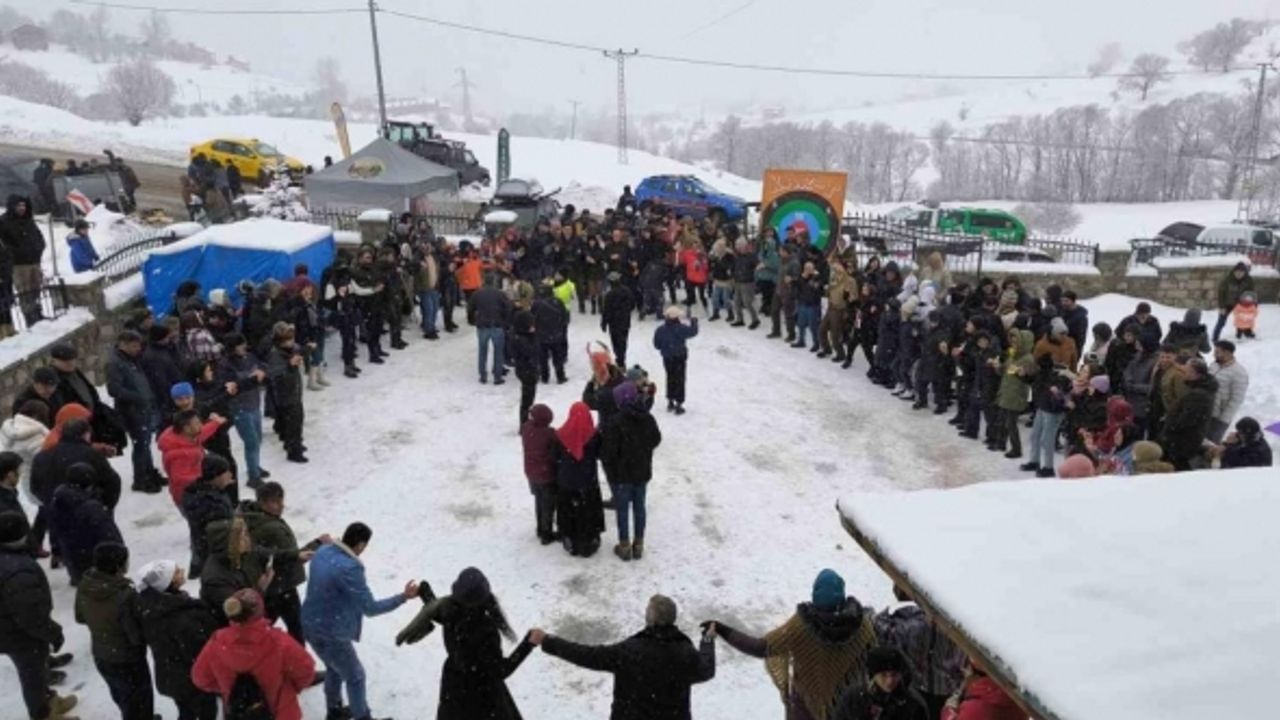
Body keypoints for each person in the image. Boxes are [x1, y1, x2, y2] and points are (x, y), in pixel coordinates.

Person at [712, 569, 878, 720]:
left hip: (804, 708)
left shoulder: (801, 627)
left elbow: (760, 647)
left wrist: (723, 630)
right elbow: (877, 663)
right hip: (846, 708)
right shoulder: (861, 627)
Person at [530, 594, 716, 720]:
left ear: (651, 619)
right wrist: (707, 640)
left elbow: (587, 655)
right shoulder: (685, 652)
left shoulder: (629, 651)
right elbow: (706, 669)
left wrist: (547, 641)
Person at [302, 522, 418, 720]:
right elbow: (370, 608)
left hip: (309, 622)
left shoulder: (323, 551)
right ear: (361, 545)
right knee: (355, 676)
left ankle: (334, 711)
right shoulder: (350, 568)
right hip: (331, 632)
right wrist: (403, 597)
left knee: (334, 668)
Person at [394, 567, 534, 720]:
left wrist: (424, 591)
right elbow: (500, 671)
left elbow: (435, 609)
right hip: (484, 698)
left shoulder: (450, 611)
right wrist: (528, 643)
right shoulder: (486, 629)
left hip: (454, 688)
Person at [192, 588, 316, 720]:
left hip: (240, 714)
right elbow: (306, 671)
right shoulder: (278, 640)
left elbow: (200, 677)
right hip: (281, 712)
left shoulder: (217, 642)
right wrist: (289, 690)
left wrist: (227, 689)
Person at [0, 511, 78, 720]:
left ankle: (49, 701)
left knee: (37, 668)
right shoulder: (17, 570)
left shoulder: (10, 559)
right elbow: (30, 615)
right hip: (19, 634)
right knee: (32, 675)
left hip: (10, 629)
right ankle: (43, 715)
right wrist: (53, 632)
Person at [131, 559, 220, 720]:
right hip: (192, 679)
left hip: (171, 676)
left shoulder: (151, 608)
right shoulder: (181, 617)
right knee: (205, 711)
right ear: (169, 582)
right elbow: (198, 652)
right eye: (177, 572)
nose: (182, 571)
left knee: (186, 711)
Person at [76, 542, 154, 720]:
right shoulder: (124, 595)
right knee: (140, 698)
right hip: (127, 658)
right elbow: (135, 636)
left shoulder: (86, 585)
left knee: (122, 696)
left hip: (102, 653)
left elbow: (80, 617)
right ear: (119, 566)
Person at [873, 586, 963, 719]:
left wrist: (891, 611)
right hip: (947, 688)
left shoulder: (911, 627)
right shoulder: (958, 625)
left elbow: (880, 626)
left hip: (921, 687)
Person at [600, 381, 662, 562]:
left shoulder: (615, 422)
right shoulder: (647, 418)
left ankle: (625, 545)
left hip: (622, 474)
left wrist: (613, 469)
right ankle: (639, 544)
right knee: (639, 507)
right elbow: (656, 439)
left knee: (622, 510)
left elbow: (608, 453)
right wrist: (642, 449)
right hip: (641, 471)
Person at [106, 330, 165, 494]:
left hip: (143, 408)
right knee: (140, 445)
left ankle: (149, 473)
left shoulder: (132, 359)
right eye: (134, 346)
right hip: (131, 411)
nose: (138, 349)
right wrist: (137, 397)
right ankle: (140, 479)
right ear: (123, 344)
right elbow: (114, 389)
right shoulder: (115, 363)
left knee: (145, 443)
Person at [48, 461, 123, 586]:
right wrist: (119, 555)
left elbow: (54, 530)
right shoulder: (91, 507)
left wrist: (57, 551)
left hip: (74, 561)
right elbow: (109, 534)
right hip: (97, 564)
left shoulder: (57, 502)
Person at [553, 402, 606, 557]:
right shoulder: (593, 435)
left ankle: (570, 538)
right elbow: (600, 454)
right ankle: (588, 540)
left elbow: (554, 456)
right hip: (587, 480)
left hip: (566, 481)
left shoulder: (560, 435)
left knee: (568, 510)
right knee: (587, 511)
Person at [218, 333, 269, 488]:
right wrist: (252, 378)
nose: (243, 347)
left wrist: (262, 371)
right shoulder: (225, 365)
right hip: (240, 408)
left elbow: (262, 365)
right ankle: (253, 477)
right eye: (240, 345)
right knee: (251, 441)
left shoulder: (250, 356)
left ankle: (255, 466)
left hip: (254, 403)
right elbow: (234, 386)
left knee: (258, 438)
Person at [832, 646, 930, 720]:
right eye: (883, 675)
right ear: (873, 675)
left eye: (894, 674)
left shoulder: (914, 704)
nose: (890, 680)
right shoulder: (853, 699)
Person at [158, 405, 226, 508]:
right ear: (186, 428)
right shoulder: (179, 455)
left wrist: (215, 423)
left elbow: (203, 432)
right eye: (197, 423)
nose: (201, 425)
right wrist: (209, 481)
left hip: (199, 491)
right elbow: (180, 479)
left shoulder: (187, 437)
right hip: (190, 497)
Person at [181, 455, 234, 582]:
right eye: (226, 472)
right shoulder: (211, 502)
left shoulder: (199, 492)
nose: (230, 475)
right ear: (216, 476)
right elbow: (221, 531)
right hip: (215, 553)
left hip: (204, 550)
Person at [1160, 358, 1218, 471]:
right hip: (1184, 440)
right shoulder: (1198, 390)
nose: (1183, 373)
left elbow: (1187, 420)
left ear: (1195, 374)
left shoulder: (1199, 395)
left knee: (1179, 468)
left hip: (1183, 442)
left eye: (1186, 371)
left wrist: (1170, 426)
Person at [0, 195, 47, 326]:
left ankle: (37, 312)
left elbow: (39, 237)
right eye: (19, 206)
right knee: (25, 292)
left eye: (23, 205)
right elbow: (4, 244)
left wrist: (39, 248)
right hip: (19, 264)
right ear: (12, 206)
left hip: (34, 261)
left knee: (36, 289)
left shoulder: (28, 220)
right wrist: (16, 253)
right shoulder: (4, 222)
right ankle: (30, 317)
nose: (22, 208)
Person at [266, 322, 308, 463]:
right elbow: (276, 374)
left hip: (295, 391)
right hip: (285, 394)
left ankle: (296, 443)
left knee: (298, 419)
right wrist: (289, 365)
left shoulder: (292, 350)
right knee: (292, 422)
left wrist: (306, 350)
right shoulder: (275, 355)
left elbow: (300, 350)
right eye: (288, 340)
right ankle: (293, 450)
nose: (292, 342)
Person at [991, 329, 1035, 460]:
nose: (1013, 343)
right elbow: (1004, 371)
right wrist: (997, 366)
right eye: (1013, 340)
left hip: (1016, 394)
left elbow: (1028, 378)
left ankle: (1016, 449)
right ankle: (1001, 443)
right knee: (1002, 420)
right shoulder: (1013, 355)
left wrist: (1020, 373)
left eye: (1016, 341)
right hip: (1006, 391)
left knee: (1011, 423)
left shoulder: (1028, 359)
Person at [521, 404, 558, 545]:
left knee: (538, 500)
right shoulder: (550, 434)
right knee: (548, 504)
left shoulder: (526, 428)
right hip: (546, 474)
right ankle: (546, 533)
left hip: (531, 472)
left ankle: (540, 528)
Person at [653, 305, 699, 415]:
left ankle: (670, 400)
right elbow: (693, 332)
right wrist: (694, 322)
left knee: (670, 377)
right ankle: (679, 403)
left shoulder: (660, 330)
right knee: (680, 379)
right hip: (679, 357)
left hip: (667, 358)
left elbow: (656, 344)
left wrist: (665, 348)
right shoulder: (681, 328)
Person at [468, 274, 513, 385]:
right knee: (498, 352)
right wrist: (505, 322)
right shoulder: (500, 294)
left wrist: (472, 320)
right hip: (497, 325)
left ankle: (483, 375)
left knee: (482, 351)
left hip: (482, 325)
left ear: (484, 281)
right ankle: (497, 376)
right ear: (494, 282)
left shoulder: (477, 294)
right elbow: (508, 308)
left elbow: (470, 308)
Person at [942, 660, 1023, 720]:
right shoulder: (1016, 694)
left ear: (976, 675)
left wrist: (949, 712)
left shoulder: (973, 708)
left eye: (968, 669)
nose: (965, 674)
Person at [1207, 340, 1249, 444]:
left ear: (1227, 353)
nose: (1214, 354)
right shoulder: (1214, 365)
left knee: (1211, 444)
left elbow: (1236, 399)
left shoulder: (1239, 373)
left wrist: (1223, 419)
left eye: (1217, 352)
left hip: (1219, 418)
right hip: (1206, 411)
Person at [531, 283, 570, 384]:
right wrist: (561, 329)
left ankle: (545, 377)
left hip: (541, 334)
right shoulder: (558, 302)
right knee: (558, 357)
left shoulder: (536, 304)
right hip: (556, 334)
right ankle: (560, 376)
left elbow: (532, 318)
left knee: (543, 358)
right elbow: (564, 317)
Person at [508, 311, 540, 431]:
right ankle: (525, 424)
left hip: (528, 369)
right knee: (527, 400)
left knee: (528, 398)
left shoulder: (519, 335)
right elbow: (530, 352)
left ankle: (526, 422)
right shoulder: (521, 339)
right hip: (526, 370)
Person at [1214, 261, 1255, 342]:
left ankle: (1246, 332)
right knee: (1221, 321)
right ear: (1234, 272)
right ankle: (1215, 336)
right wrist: (1221, 306)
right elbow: (1221, 293)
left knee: (1244, 319)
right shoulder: (1227, 280)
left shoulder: (1249, 280)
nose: (1239, 274)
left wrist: (1250, 304)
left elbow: (1251, 292)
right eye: (1237, 272)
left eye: (1241, 272)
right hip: (1227, 303)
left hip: (1241, 304)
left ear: (1244, 273)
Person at [602, 274, 637, 367]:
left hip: (613, 322)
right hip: (625, 320)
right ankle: (621, 358)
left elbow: (606, 310)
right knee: (623, 340)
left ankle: (620, 358)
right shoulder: (627, 291)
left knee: (616, 341)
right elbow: (633, 304)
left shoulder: (609, 295)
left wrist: (604, 323)